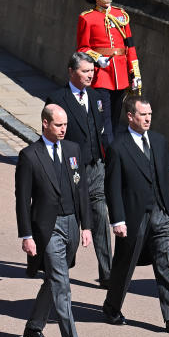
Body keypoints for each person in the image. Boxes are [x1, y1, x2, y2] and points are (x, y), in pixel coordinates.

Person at [102, 95, 169, 336]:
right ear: (130, 116)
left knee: (166, 264)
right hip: (133, 217)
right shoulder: (118, 147)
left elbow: (167, 177)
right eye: (143, 114)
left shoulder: (159, 141)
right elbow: (112, 187)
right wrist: (117, 220)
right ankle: (112, 306)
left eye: (150, 114)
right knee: (125, 263)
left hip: (161, 213)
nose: (148, 118)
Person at [15, 105, 94, 337]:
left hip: (72, 223)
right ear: (45, 123)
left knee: (54, 278)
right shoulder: (29, 156)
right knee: (62, 284)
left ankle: (33, 327)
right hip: (47, 229)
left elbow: (81, 188)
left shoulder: (73, 150)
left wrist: (86, 226)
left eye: (65, 125)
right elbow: (22, 200)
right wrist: (27, 235)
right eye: (58, 125)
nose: (63, 129)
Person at [45, 52, 114, 288]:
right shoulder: (57, 99)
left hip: (96, 168)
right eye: (85, 71)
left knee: (101, 216)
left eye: (92, 71)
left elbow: (102, 133)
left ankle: (107, 273)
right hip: (71, 169)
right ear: (71, 72)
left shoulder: (96, 97)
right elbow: (51, 137)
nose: (90, 75)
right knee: (71, 220)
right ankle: (64, 265)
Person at [76, 0, 140, 131]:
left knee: (114, 117)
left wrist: (135, 74)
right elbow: (82, 48)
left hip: (120, 76)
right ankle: (107, 157)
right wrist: (97, 58)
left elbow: (130, 47)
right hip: (101, 76)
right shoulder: (87, 18)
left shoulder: (122, 16)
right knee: (105, 123)